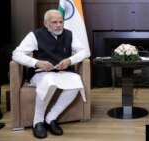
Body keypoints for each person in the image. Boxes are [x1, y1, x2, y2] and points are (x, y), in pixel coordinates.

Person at [12, 9, 90, 138]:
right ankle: (37, 121)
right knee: (49, 82)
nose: (59, 25)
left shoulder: (69, 34)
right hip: (41, 73)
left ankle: (51, 118)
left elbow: (84, 51)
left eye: (61, 22)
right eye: (55, 22)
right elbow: (16, 54)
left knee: (76, 83)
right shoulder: (34, 35)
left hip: (63, 72)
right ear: (46, 23)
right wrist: (36, 62)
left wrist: (70, 60)